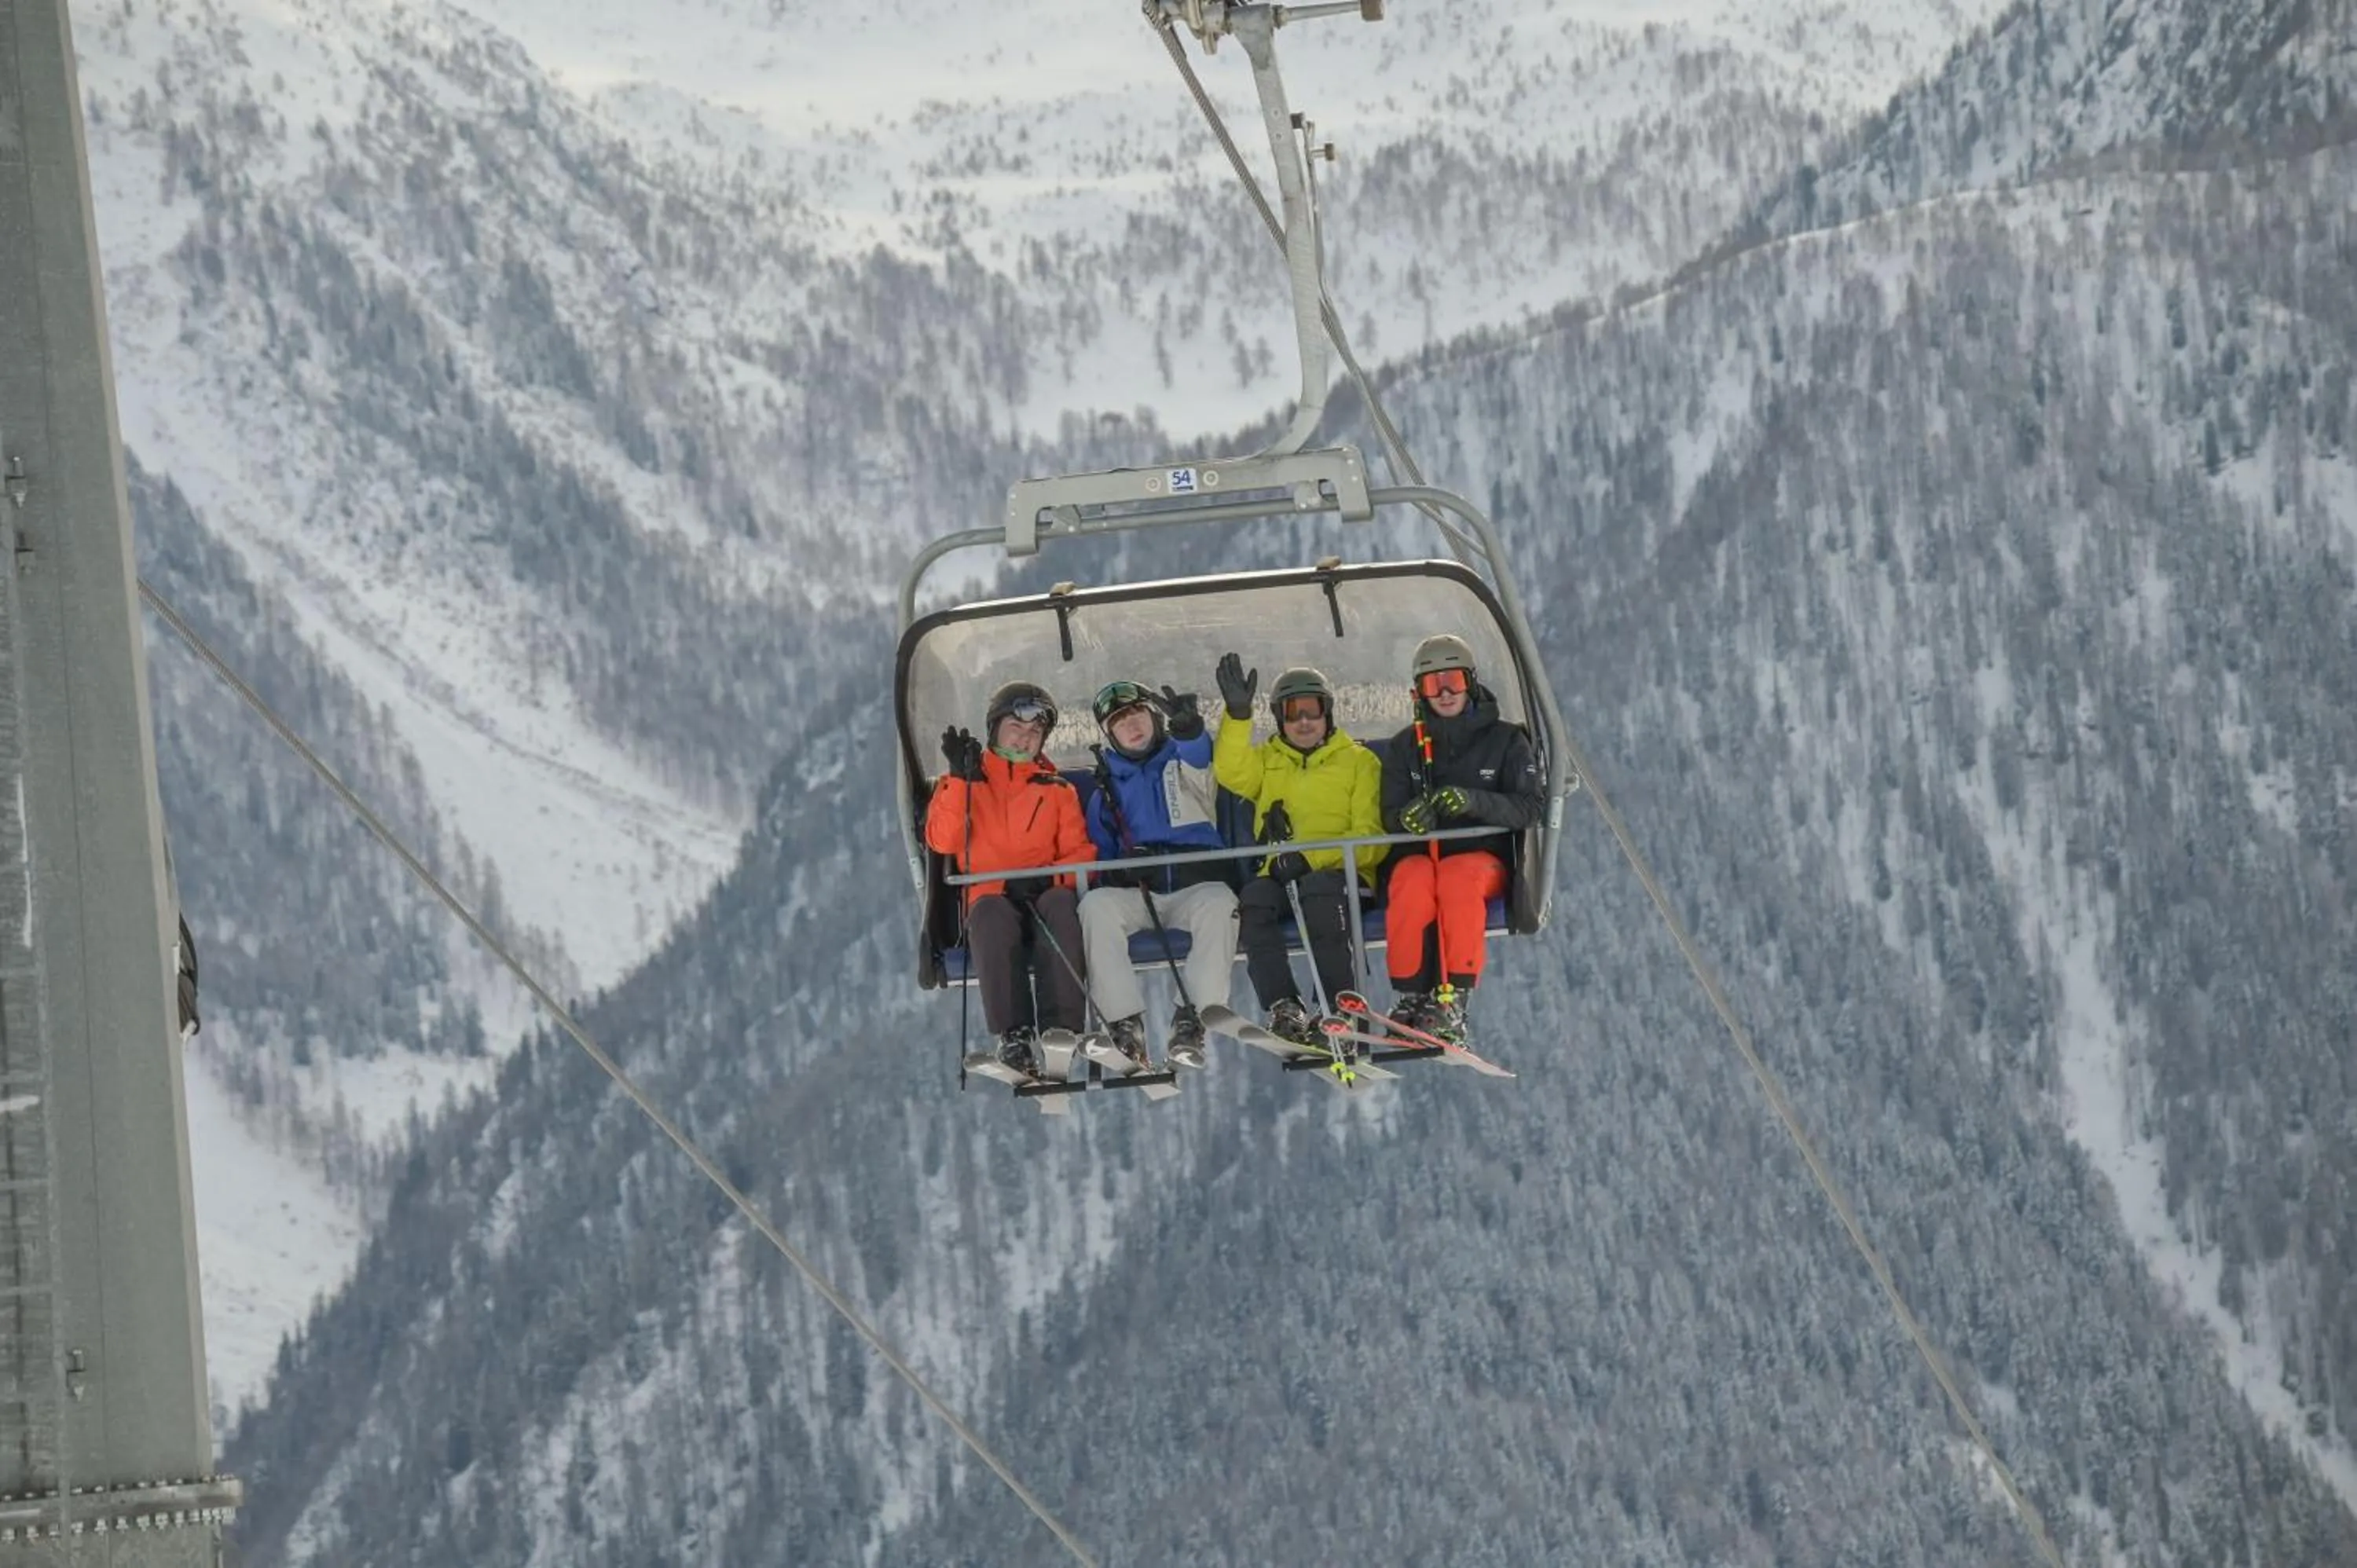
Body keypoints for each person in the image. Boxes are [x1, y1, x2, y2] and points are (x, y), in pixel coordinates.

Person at [1378, 634, 1545, 1042]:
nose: (1446, 693)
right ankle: (1412, 993)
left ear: (1470, 681)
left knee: (1457, 876)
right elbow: (1389, 815)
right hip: (1424, 857)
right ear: (1419, 693)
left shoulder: (1505, 741)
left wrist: (1474, 802)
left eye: (1453, 680)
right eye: (1435, 685)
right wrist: (1409, 819)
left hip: (1482, 861)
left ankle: (1453, 998)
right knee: (1410, 878)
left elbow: (1530, 807)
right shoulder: (1406, 747)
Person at [924, 680, 1094, 1079]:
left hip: (1043, 895)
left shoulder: (1056, 790)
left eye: (1035, 733)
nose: (1024, 738)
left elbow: (1079, 853)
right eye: (1016, 728)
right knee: (988, 913)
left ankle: (1062, 1029)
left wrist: (1053, 882)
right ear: (994, 727)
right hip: (992, 898)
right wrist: (960, 779)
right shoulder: (966, 785)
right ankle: (1013, 1034)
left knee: (1061, 904)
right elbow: (942, 840)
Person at [1211, 654, 1383, 1047]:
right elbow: (1230, 770)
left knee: (1319, 891)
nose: (1303, 722)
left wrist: (1313, 858)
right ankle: (1284, 1006)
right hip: (1282, 875)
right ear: (1279, 719)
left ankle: (1340, 1004)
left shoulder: (1358, 762)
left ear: (1328, 713)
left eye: (1312, 711)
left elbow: (1370, 836)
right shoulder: (1270, 761)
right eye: (1292, 713)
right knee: (1254, 900)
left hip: (1343, 877)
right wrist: (1238, 717)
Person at [1076, 680, 1237, 1072]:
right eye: (1119, 721)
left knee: (1220, 903)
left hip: (1193, 889)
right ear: (1110, 735)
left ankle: (1193, 1019)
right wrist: (1123, 871)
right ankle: (1123, 1024)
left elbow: (1202, 761)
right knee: (1096, 906)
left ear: (1153, 717)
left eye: (1137, 714)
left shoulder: (1183, 764)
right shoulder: (1106, 790)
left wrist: (1192, 734)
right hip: (1141, 895)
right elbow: (1101, 857)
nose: (1132, 725)